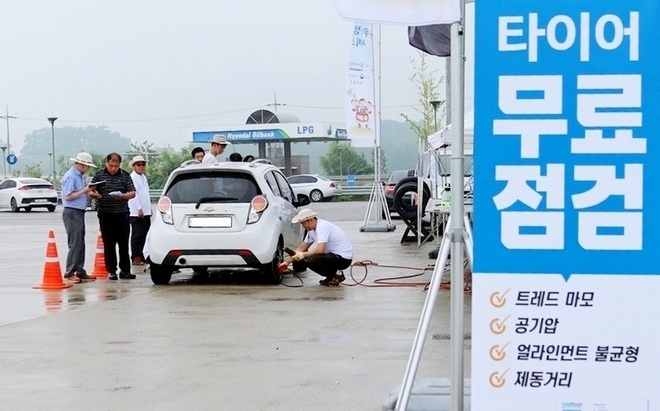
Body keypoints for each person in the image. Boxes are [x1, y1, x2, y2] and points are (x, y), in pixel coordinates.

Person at [92, 153, 136, 280]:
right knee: (109, 244)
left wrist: (122, 196)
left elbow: (132, 193)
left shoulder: (125, 176)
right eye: (111, 165)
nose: (113, 168)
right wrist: (95, 195)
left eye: (116, 166)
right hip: (106, 214)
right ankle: (111, 270)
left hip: (122, 214)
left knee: (123, 244)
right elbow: (91, 190)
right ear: (106, 163)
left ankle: (125, 270)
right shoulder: (99, 175)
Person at [280, 208, 353, 286]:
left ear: (310, 220)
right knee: (307, 259)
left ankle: (336, 274)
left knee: (312, 260)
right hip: (333, 256)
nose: (303, 227)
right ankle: (332, 276)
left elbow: (320, 250)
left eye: (303, 224)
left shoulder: (322, 227)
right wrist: (286, 262)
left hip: (343, 258)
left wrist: (303, 255)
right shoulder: (311, 231)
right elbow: (301, 248)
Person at [60, 152, 102, 283]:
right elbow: (68, 196)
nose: (88, 168)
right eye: (87, 166)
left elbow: (79, 193)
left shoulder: (79, 176)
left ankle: (80, 270)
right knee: (75, 242)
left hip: (78, 211)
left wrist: (90, 192)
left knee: (80, 242)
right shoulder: (71, 177)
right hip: (72, 211)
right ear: (81, 164)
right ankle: (70, 272)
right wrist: (85, 190)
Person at [127, 155, 151, 266]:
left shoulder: (143, 177)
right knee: (137, 234)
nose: (141, 166)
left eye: (143, 164)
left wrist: (148, 209)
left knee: (145, 234)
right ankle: (136, 256)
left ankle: (143, 254)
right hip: (136, 212)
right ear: (133, 166)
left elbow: (145, 194)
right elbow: (133, 195)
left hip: (145, 211)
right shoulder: (132, 178)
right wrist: (139, 208)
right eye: (138, 164)